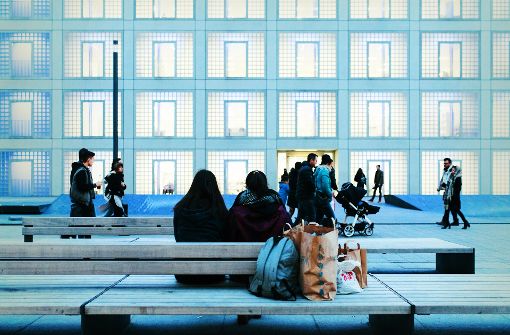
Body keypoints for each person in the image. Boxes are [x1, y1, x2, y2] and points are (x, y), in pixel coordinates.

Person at [173, 170, 228, 284]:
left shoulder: (180, 208)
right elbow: (225, 237)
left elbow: (177, 237)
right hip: (214, 274)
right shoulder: (219, 209)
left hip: (184, 274)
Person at [227, 170, 290, 243]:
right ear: (265, 184)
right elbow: (288, 229)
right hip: (272, 252)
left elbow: (229, 233)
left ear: (247, 185)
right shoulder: (278, 206)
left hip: (241, 252)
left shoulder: (236, 211)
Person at [68, 148, 102, 238]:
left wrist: (92, 189)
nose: (93, 161)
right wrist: (95, 185)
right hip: (82, 203)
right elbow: (82, 186)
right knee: (83, 228)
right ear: (88, 159)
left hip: (84, 202)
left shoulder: (80, 169)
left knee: (84, 228)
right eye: (92, 159)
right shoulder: (82, 171)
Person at [296, 153, 318, 223]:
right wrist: (315, 188)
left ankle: (291, 230)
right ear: (311, 160)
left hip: (303, 196)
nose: (316, 162)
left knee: (301, 216)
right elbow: (310, 183)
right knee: (312, 216)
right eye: (315, 160)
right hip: (306, 197)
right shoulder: (307, 170)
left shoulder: (305, 168)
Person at [314, 154, 335, 226]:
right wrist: (330, 194)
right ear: (328, 163)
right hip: (323, 197)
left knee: (318, 218)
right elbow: (325, 186)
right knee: (332, 218)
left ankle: (317, 233)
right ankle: (331, 234)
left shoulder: (318, 169)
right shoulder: (324, 171)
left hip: (317, 196)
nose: (331, 167)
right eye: (331, 165)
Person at [436, 158, 453, 226]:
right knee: (447, 207)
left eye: (446, 163)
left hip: (451, 192)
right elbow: (443, 179)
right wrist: (440, 187)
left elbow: (451, 181)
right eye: (444, 163)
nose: (444, 164)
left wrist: (446, 187)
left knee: (450, 207)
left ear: (450, 163)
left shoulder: (452, 170)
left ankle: (446, 221)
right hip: (446, 191)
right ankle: (446, 220)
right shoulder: (445, 171)